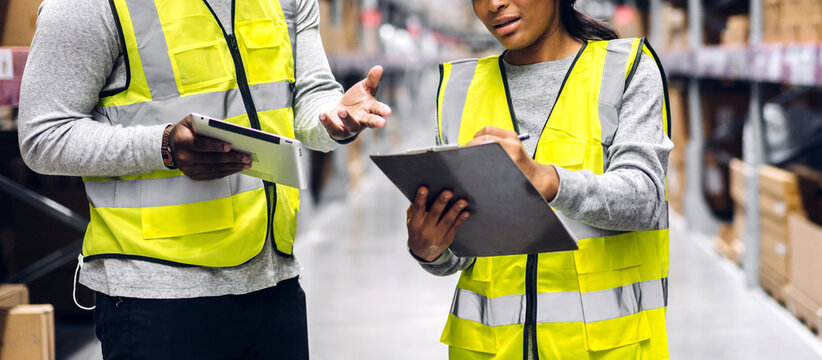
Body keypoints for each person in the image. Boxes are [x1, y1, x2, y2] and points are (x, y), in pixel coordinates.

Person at [17, 0, 390, 358]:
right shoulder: (91, 5)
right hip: (157, 297)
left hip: (274, 278)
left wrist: (335, 118)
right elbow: (43, 135)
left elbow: (310, 95)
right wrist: (162, 146)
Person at [406, 0, 672, 359]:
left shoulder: (624, 69)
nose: (494, 4)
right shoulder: (460, 90)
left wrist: (548, 180)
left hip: (606, 348)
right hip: (488, 350)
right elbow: (464, 253)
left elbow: (644, 199)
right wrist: (432, 251)